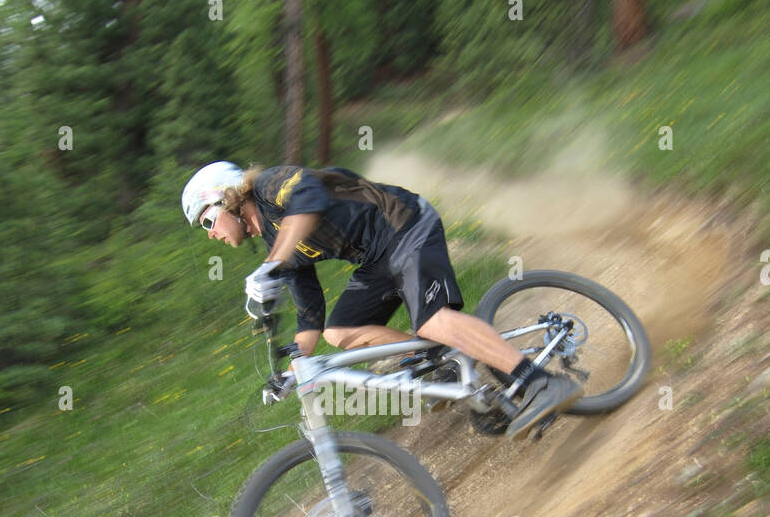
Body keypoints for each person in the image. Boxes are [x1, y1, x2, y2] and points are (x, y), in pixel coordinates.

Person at [181, 160, 582, 436]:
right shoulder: (274, 240)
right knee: (339, 332)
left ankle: (542, 383)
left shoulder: (269, 186)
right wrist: (291, 371)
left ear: (226, 200)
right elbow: (310, 313)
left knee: (430, 319)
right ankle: (443, 361)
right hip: (377, 258)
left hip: (404, 224)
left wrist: (273, 263)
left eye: (207, 221)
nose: (211, 233)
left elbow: (309, 201)